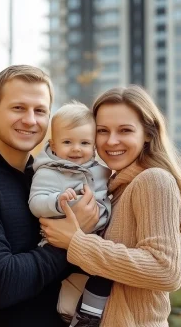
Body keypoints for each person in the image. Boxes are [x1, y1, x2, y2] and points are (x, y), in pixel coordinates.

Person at [0, 65, 99, 327]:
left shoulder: (49, 181)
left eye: (40, 111)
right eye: (18, 108)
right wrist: (69, 239)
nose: (30, 120)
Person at [41, 85, 181, 327]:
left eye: (125, 130)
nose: (112, 141)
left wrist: (76, 242)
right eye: (102, 131)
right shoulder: (115, 189)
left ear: (148, 134)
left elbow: (166, 271)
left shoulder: (153, 180)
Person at [29, 100, 112, 326]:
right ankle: (65, 314)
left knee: (103, 275)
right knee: (59, 283)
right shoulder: (49, 172)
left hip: (94, 240)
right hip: (59, 242)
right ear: (53, 145)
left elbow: (108, 196)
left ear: (94, 146)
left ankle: (87, 317)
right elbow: (36, 202)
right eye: (68, 142)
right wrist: (57, 201)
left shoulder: (101, 171)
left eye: (85, 142)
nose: (76, 149)